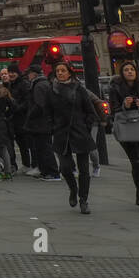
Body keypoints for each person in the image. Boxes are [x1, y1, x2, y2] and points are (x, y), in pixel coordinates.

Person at [46, 62, 98, 213]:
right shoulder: (52, 91)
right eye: (57, 71)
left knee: (84, 170)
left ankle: (83, 200)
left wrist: (86, 126)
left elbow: (90, 110)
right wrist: (52, 127)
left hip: (80, 132)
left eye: (63, 71)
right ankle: (73, 189)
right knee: (65, 167)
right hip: (61, 133)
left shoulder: (79, 89)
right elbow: (47, 112)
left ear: (70, 73)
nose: (60, 73)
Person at [108, 60, 139, 211]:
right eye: (126, 70)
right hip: (126, 127)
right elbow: (113, 109)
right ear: (122, 73)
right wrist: (124, 106)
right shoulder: (115, 87)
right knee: (136, 161)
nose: (129, 72)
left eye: (132, 69)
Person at [25, 64, 60, 180]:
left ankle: (52, 172)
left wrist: (30, 116)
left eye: (29, 73)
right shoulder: (43, 83)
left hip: (40, 122)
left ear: (34, 74)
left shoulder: (39, 85)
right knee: (42, 147)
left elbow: (39, 105)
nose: (27, 76)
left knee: (44, 148)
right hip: (44, 121)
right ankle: (45, 171)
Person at [7, 65, 31, 172]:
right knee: (21, 143)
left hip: (22, 117)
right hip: (14, 118)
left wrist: (17, 108)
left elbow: (27, 101)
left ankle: (29, 164)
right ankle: (25, 164)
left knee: (25, 143)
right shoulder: (11, 85)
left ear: (18, 73)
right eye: (9, 72)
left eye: (13, 72)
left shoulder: (23, 84)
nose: (11, 74)